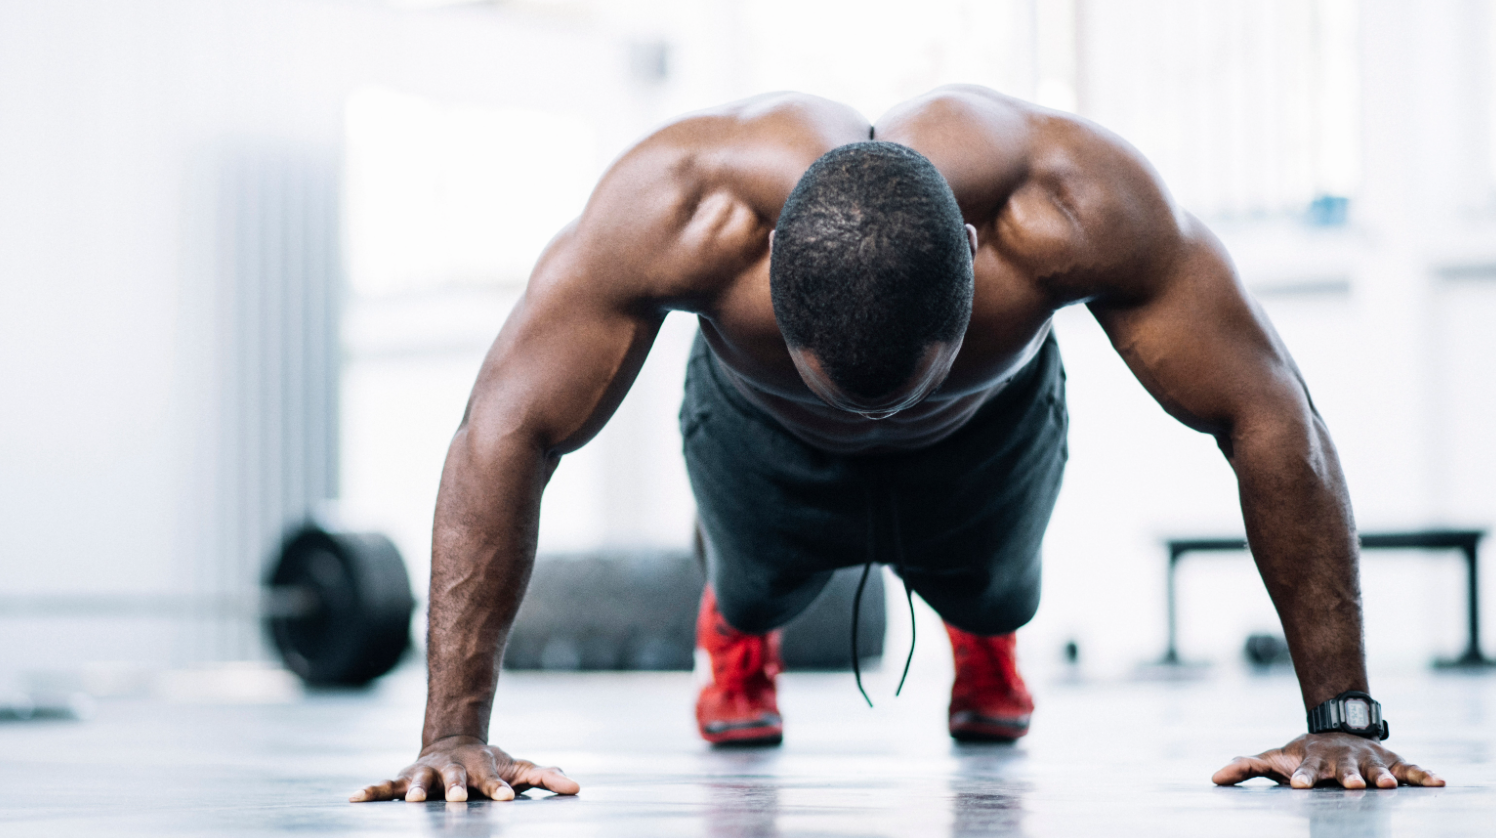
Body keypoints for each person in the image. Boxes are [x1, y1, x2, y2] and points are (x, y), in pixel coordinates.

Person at [351, 86, 1444, 803]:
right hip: (758, 436)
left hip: (985, 435)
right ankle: (738, 630)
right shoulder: (676, 208)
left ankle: (982, 636)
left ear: (974, 257)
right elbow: (505, 428)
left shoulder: (1072, 202)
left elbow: (1266, 411)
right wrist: (453, 733)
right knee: (758, 584)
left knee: (993, 590)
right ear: (766, 266)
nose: (872, 418)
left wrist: (1339, 719)